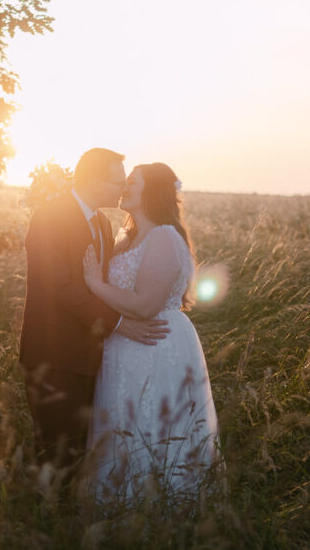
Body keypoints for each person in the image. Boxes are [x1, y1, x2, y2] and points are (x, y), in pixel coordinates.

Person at [19, 148, 171, 469]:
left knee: (79, 450)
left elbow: (99, 286)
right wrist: (119, 324)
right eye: (117, 181)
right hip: (53, 355)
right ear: (96, 180)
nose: (122, 188)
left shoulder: (102, 223)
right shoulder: (50, 216)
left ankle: (70, 514)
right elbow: (59, 288)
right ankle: (45, 514)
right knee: (54, 450)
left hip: (90, 357)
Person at [82, 162, 220, 502]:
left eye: (133, 183)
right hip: (121, 345)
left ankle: (159, 510)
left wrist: (95, 285)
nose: (124, 188)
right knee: (119, 424)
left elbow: (144, 306)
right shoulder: (124, 236)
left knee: (154, 427)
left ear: (153, 191)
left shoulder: (164, 237)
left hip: (156, 344)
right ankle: (115, 510)